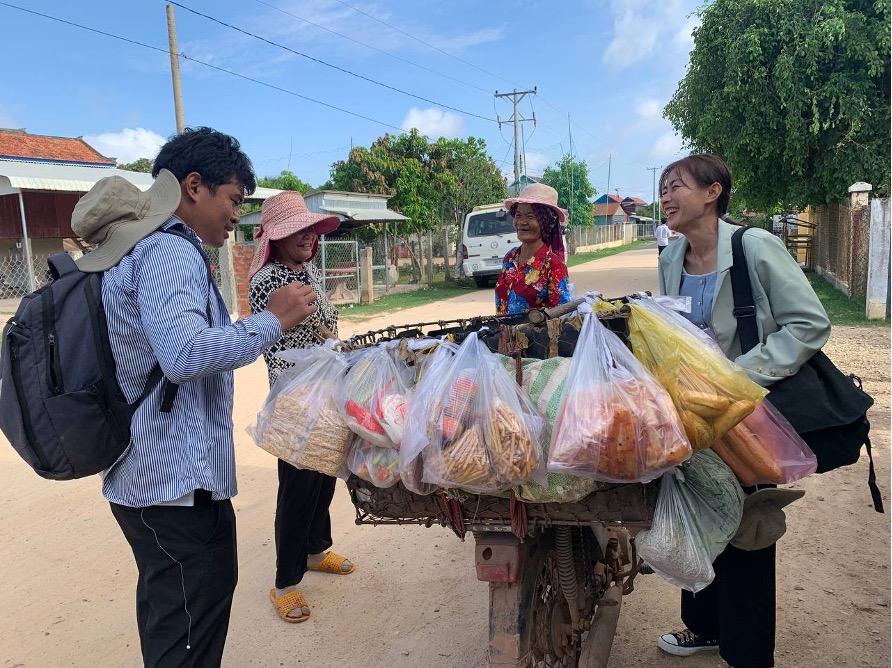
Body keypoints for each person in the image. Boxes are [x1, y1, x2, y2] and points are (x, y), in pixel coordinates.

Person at [72, 127, 319, 667]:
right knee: (188, 627)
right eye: (233, 200)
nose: (236, 217)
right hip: (169, 486)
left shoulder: (148, 251)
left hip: (160, 484)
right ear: (193, 187)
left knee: (176, 615)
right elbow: (183, 356)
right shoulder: (166, 251)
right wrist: (271, 320)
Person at [655, 153, 830, 668]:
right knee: (699, 516)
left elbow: (809, 324)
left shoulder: (753, 246)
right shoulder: (671, 258)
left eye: (676, 185)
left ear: (713, 192)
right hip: (695, 416)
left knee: (747, 530)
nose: (665, 196)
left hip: (750, 416)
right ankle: (703, 627)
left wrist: (737, 376)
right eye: (662, 187)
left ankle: (748, 653)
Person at [248, 191, 356, 624]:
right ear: (276, 236)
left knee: (323, 476)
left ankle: (315, 551)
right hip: (295, 398)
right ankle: (286, 583)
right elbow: (318, 324)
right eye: (298, 230)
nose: (308, 236)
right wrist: (328, 331)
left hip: (322, 389)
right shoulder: (270, 280)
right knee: (296, 488)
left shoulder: (304, 269)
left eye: (311, 228)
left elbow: (326, 327)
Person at [495, 183, 572, 315]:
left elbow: (562, 317)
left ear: (545, 222)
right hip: (503, 335)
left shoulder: (553, 265)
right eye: (518, 215)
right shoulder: (510, 258)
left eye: (530, 216)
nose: (521, 222)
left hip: (534, 336)